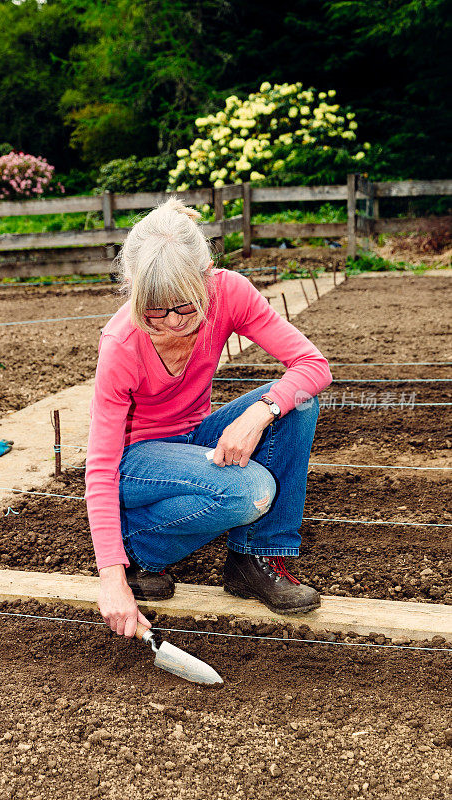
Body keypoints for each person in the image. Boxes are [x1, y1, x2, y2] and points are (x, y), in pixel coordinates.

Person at [85, 197, 332, 638]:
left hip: (192, 437)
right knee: (251, 490)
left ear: (205, 279)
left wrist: (262, 410)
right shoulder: (121, 344)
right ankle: (139, 547)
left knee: (298, 403)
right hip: (136, 461)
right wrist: (112, 578)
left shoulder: (228, 292)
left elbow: (313, 366)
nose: (172, 322)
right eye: (154, 310)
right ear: (132, 289)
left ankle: (252, 558)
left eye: (184, 306)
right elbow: (101, 466)